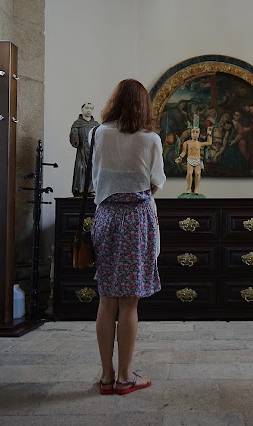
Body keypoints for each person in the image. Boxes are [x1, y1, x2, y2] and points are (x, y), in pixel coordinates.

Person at [90, 79, 166, 395]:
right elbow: (156, 181)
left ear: (115, 101)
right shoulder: (151, 139)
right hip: (137, 217)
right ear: (143, 105)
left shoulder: (99, 133)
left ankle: (107, 376)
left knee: (107, 299)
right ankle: (125, 377)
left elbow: (96, 177)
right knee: (130, 303)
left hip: (106, 216)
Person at [70, 102, 100, 196]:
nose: (89, 110)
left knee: (92, 168)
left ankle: (91, 189)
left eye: (91, 108)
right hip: (81, 150)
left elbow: (100, 136)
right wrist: (75, 138)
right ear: (82, 110)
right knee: (80, 168)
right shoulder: (77, 123)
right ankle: (79, 189)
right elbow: (73, 134)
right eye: (87, 108)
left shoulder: (96, 124)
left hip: (92, 151)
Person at [175, 125, 212, 194]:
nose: (195, 133)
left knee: (198, 174)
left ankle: (196, 189)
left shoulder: (200, 143)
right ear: (191, 133)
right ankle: (189, 188)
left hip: (197, 160)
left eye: (197, 132)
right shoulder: (187, 143)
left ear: (199, 134)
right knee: (189, 173)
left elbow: (209, 143)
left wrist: (209, 134)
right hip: (190, 160)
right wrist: (180, 157)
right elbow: (184, 152)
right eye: (193, 132)